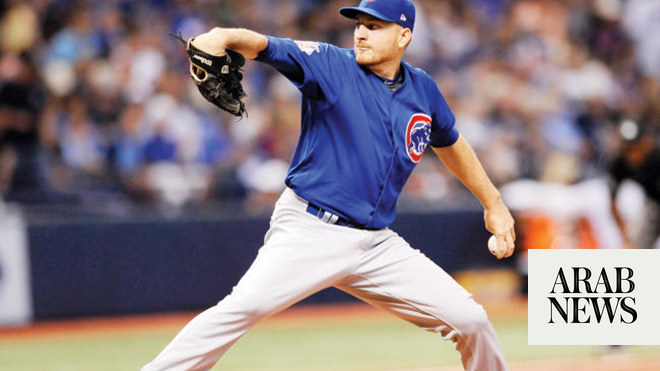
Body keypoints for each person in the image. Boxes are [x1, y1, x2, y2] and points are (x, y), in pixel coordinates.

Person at [142, 1, 516, 370]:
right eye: (359, 24)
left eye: (375, 26)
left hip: (376, 244)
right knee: (243, 308)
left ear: (404, 36)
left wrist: (493, 203)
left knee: (472, 321)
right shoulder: (330, 63)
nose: (361, 32)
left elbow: (450, 142)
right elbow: (266, 45)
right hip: (310, 229)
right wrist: (222, 34)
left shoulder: (422, 89)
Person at [609, 119, 660, 249]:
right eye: (627, 147)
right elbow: (612, 202)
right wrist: (625, 234)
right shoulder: (620, 164)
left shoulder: (656, 157)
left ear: (645, 143)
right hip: (652, 206)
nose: (632, 152)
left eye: (635, 146)